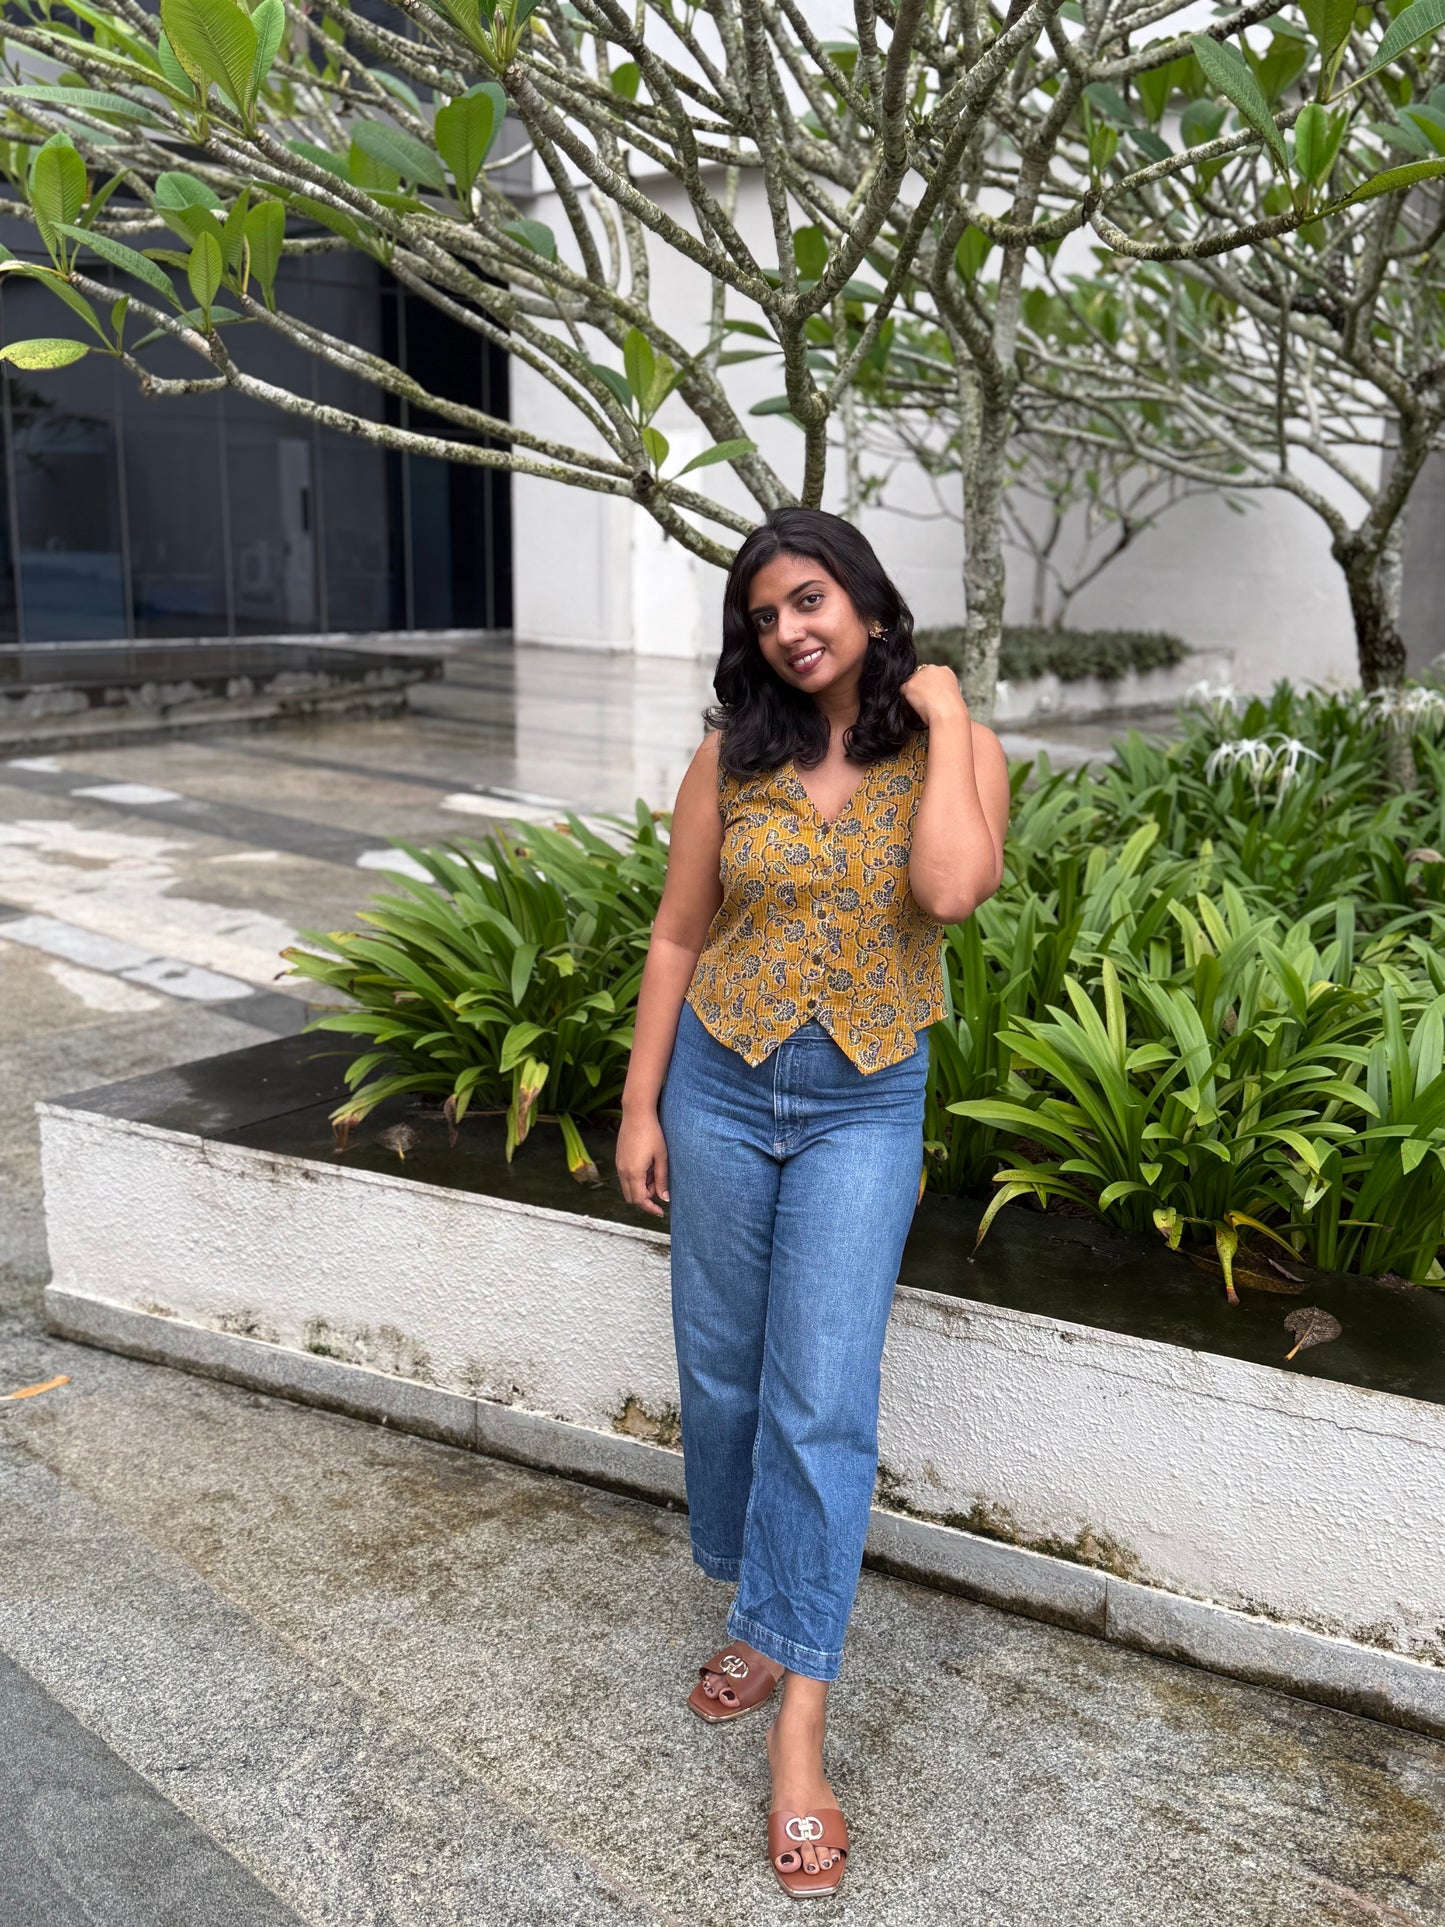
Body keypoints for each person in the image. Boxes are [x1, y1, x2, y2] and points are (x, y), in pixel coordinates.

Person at [616, 507, 1010, 1899]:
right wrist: (639, 1103)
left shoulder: (947, 752)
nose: (789, 630)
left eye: (808, 600)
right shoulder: (731, 760)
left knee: (821, 1396)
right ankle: (764, 1610)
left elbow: (952, 891)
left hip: (860, 1102)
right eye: (764, 616)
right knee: (722, 1375)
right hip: (721, 1087)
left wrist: (949, 712)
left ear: (861, 597)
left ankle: (799, 1728)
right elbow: (676, 934)